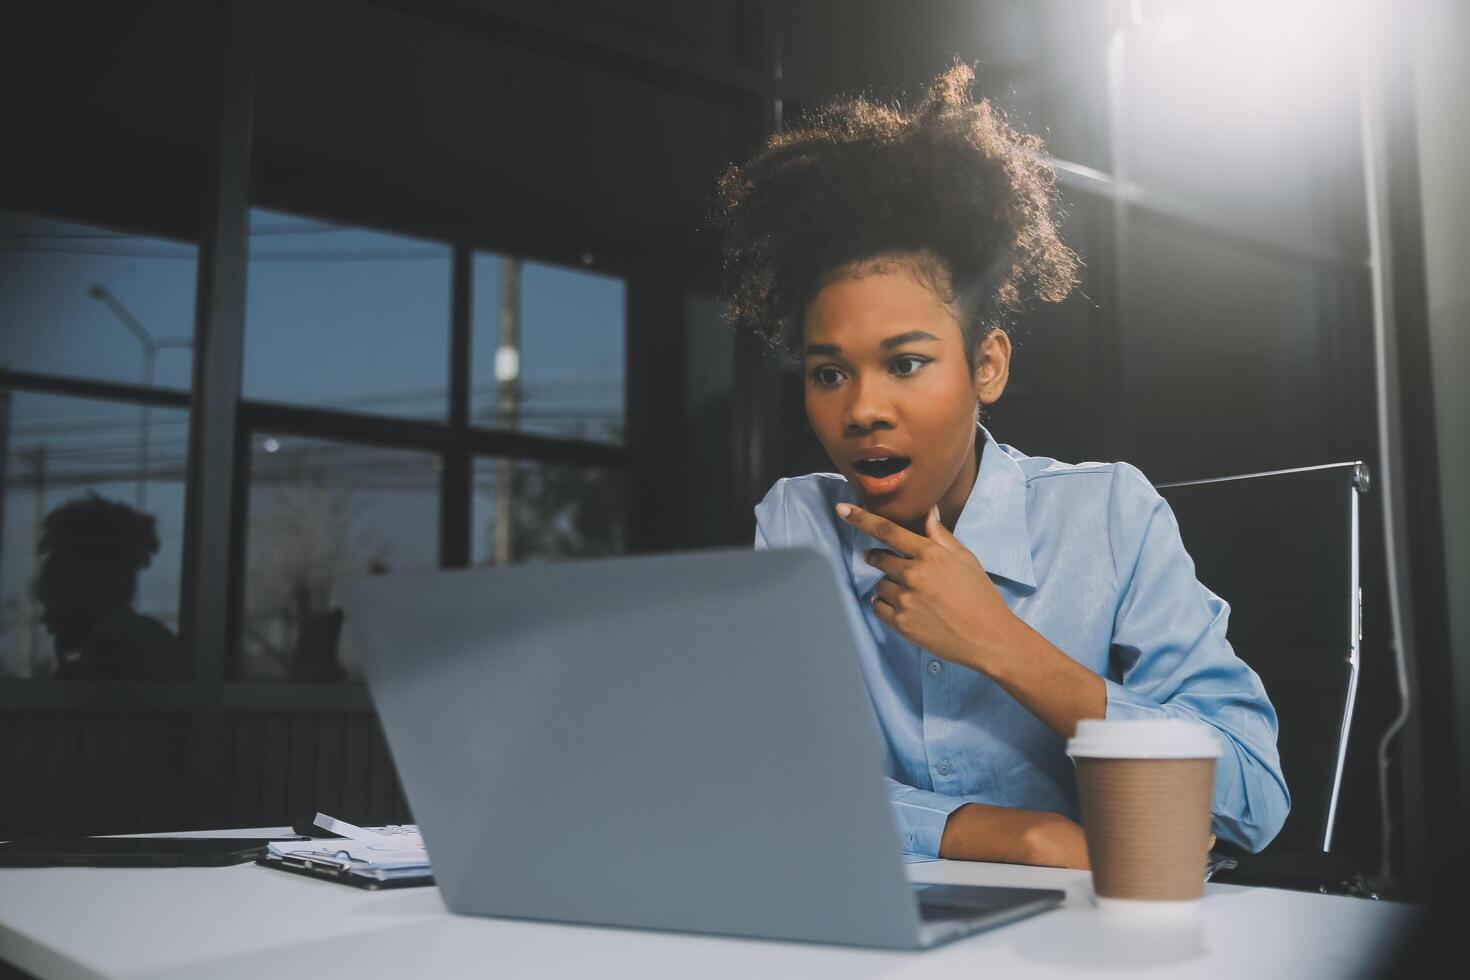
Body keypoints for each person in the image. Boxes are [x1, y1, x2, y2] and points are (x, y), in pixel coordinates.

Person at [715, 64, 1289, 868]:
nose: (861, 409)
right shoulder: (796, 524)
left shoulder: (1112, 516)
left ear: (987, 366)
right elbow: (775, 780)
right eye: (829, 372)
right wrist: (1023, 836)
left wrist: (1001, 644)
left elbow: (1256, 795)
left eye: (906, 363)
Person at [36, 493, 181, 680]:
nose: (45, 620)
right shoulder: (146, 641)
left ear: (88, 589)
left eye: (55, 604)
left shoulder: (116, 655)